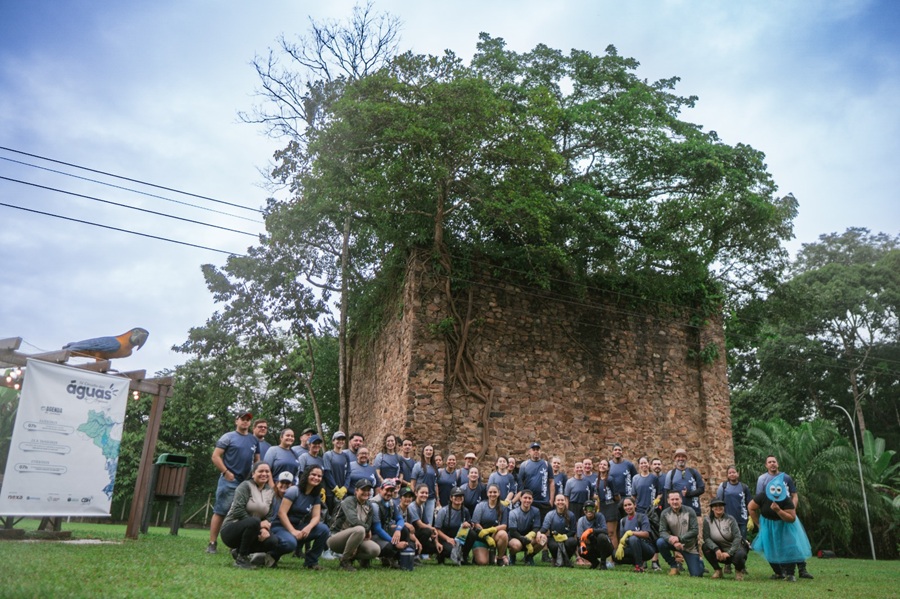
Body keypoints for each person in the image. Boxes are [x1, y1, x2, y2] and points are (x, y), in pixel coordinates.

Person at [207, 410, 259, 554]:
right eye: (242, 419)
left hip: (246, 482)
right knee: (221, 510)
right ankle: (212, 543)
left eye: (248, 419)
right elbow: (215, 456)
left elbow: (257, 461)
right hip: (229, 480)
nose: (245, 422)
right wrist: (225, 472)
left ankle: (235, 546)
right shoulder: (228, 437)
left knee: (242, 513)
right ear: (236, 421)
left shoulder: (253, 440)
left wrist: (255, 477)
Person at [755, 455, 812, 580]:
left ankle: (802, 569)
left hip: (787, 514)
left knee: (794, 542)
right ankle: (781, 571)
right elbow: (759, 499)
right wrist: (761, 519)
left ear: (778, 464)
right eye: (769, 462)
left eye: (774, 461)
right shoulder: (762, 479)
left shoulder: (786, 477)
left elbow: (794, 495)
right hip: (771, 519)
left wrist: (793, 509)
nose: (772, 464)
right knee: (774, 543)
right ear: (766, 465)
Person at [270, 465, 330, 570]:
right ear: (307, 475)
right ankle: (271, 555)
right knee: (290, 543)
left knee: (323, 529)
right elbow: (281, 513)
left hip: (298, 527)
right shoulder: (294, 491)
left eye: (319, 476)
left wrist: (309, 527)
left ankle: (311, 562)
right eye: (313, 474)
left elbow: (316, 516)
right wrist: (293, 531)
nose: (316, 478)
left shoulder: (315, 495)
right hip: (280, 526)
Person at [219, 461, 277, 569]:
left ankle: (239, 552)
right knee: (254, 521)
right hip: (231, 530)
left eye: (267, 471)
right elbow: (237, 509)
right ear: (253, 473)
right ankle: (241, 559)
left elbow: (269, 515)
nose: (264, 474)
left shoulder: (270, 491)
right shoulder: (245, 486)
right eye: (260, 471)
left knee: (273, 541)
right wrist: (259, 525)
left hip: (253, 530)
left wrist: (265, 528)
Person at [327, 479, 382, 571]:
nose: (366, 492)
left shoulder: (369, 505)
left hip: (357, 537)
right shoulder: (348, 501)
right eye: (363, 490)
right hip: (336, 537)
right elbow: (354, 521)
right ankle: (344, 561)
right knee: (360, 529)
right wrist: (366, 530)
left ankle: (358, 558)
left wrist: (367, 530)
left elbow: (368, 526)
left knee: (375, 550)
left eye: (368, 490)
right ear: (356, 491)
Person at [656, 489, 703, 577]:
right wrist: (671, 539)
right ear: (668, 501)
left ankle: (699, 562)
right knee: (660, 542)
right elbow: (662, 531)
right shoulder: (665, 513)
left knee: (697, 574)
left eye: (677, 499)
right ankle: (674, 566)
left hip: (689, 546)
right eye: (672, 499)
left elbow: (694, 530)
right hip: (674, 544)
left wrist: (679, 539)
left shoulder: (690, 511)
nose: (675, 502)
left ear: (681, 499)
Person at [702, 497, 747, 580]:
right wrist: (716, 549)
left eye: (721, 505)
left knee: (740, 555)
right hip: (718, 550)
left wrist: (729, 553)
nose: (718, 507)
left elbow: (737, 537)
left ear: (724, 507)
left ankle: (739, 571)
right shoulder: (707, 520)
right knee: (705, 546)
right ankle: (717, 570)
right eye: (715, 505)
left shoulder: (731, 519)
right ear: (712, 508)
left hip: (732, 549)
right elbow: (706, 538)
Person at [370, 479, 411, 568]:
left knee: (404, 530)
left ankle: (401, 558)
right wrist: (395, 543)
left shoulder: (390, 502)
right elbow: (377, 528)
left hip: (384, 531)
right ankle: (388, 558)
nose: (389, 493)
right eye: (387, 490)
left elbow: (400, 519)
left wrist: (398, 530)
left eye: (391, 490)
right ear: (381, 490)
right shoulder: (374, 504)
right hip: (372, 535)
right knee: (389, 547)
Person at [467, 484, 510, 565]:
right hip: (480, 536)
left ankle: (500, 558)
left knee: (503, 534)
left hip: (494, 535)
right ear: (487, 493)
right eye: (490, 492)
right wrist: (486, 536)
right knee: (483, 562)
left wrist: (490, 530)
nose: (492, 494)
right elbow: (476, 523)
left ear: (499, 493)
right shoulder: (480, 505)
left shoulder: (503, 507)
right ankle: (479, 556)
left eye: (495, 492)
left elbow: (504, 525)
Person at [434, 486, 472, 565]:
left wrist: (467, 525)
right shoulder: (443, 511)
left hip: (459, 538)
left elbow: (471, 526)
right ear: (451, 498)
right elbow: (437, 529)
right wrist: (448, 539)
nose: (458, 498)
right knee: (450, 551)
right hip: (445, 538)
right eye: (456, 496)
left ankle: (464, 557)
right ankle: (441, 556)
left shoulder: (465, 511)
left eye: (460, 496)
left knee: (472, 534)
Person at [506, 489, 546, 566]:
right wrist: (522, 538)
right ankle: (512, 556)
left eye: (529, 498)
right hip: (516, 538)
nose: (527, 500)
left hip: (530, 538)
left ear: (532, 500)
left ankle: (529, 557)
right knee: (516, 545)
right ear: (520, 498)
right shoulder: (513, 513)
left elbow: (536, 527)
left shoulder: (536, 511)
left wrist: (530, 536)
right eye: (525, 498)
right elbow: (512, 531)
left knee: (543, 538)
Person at [615, 496, 654, 572]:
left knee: (633, 538)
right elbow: (623, 538)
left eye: (630, 504)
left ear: (635, 505)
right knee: (614, 555)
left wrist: (632, 533)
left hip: (646, 549)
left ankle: (639, 566)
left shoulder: (642, 517)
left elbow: (646, 534)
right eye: (625, 506)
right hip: (631, 547)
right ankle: (636, 561)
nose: (628, 507)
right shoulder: (623, 521)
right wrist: (621, 545)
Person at [662, 448, 705, 515]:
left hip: (693, 510)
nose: (681, 458)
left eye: (683, 456)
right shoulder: (671, 474)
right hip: (676, 512)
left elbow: (701, 489)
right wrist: (667, 512)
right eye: (678, 456)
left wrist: (689, 494)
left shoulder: (694, 472)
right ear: (675, 459)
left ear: (686, 458)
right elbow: (667, 494)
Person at [518, 442, 554, 519]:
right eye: (534, 449)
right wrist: (521, 499)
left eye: (537, 449)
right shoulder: (524, 465)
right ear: (529, 452)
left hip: (544, 501)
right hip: (529, 501)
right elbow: (520, 484)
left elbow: (551, 482)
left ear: (540, 451)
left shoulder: (546, 464)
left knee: (543, 526)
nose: (536, 451)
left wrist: (551, 500)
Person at [716, 465, 751, 544]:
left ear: (737, 474)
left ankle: (742, 556)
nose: (732, 474)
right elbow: (718, 503)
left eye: (734, 472)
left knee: (742, 543)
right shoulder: (723, 486)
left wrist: (750, 517)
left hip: (742, 519)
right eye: (730, 473)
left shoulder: (744, 487)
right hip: (727, 520)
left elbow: (749, 503)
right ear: (727, 475)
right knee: (728, 543)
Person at [541, 494, 577, 567]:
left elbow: (573, 531)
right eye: (558, 500)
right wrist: (539, 533)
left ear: (565, 502)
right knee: (554, 545)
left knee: (572, 542)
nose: (560, 502)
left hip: (566, 538)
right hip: (553, 538)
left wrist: (564, 536)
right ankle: (556, 559)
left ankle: (567, 559)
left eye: (562, 500)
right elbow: (545, 528)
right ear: (554, 502)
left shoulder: (571, 515)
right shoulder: (550, 514)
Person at [576, 500, 613, 569]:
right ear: (584, 511)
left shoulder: (600, 516)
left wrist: (591, 530)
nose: (589, 511)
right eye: (587, 509)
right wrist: (582, 543)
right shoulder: (581, 520)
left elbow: (605, 530)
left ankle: (603, 563)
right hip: (590, 545)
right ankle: (595, 562)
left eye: (591, 508)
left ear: (594, 510)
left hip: (604, 546)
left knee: (601, 537)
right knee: (581, 550)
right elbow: (579, 537)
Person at [410, 444, 439, 525]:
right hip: (419, 497)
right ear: (423, 452)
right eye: (427, 450)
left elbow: (436, 484)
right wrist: (414, 496)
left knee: (429, 521)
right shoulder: (417, 466)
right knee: (418, 520)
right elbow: (413, 483)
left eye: (430, 450)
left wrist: (438, 499)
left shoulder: (435, 467)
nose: (428, 452)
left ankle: (428, 536)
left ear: (433, 453)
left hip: (431, 498)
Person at [595, 458, 619, 552]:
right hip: (602, 508)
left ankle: (614, 558)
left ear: (608, 468)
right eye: (601, 464)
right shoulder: (597, 480)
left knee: (611, 533)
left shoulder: (610, 479)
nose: (602, 466)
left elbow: (616, 496)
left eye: (604, 465)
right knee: (603, 533)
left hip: (611, 506)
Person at [323, 431, 350, 514]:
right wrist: (335, 489)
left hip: (343, 493)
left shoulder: (346, 456)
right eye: (338, 439)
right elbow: (327, 473)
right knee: (330, 515)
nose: (340, 441)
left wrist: (345, 487)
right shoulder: (328, 455)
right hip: (331, 492)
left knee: (341, 516)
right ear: (333, 441)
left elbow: (348, 472)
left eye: (342, 439)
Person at [608, 443, 638, 510]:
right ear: (612, 452)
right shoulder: (609, 465)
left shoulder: (629, 465)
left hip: (627, 497)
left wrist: (634, 496)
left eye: (619, 450)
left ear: (622, 452)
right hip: (613, 498)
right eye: (615, 450)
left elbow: (635, 479)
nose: (617, 451)